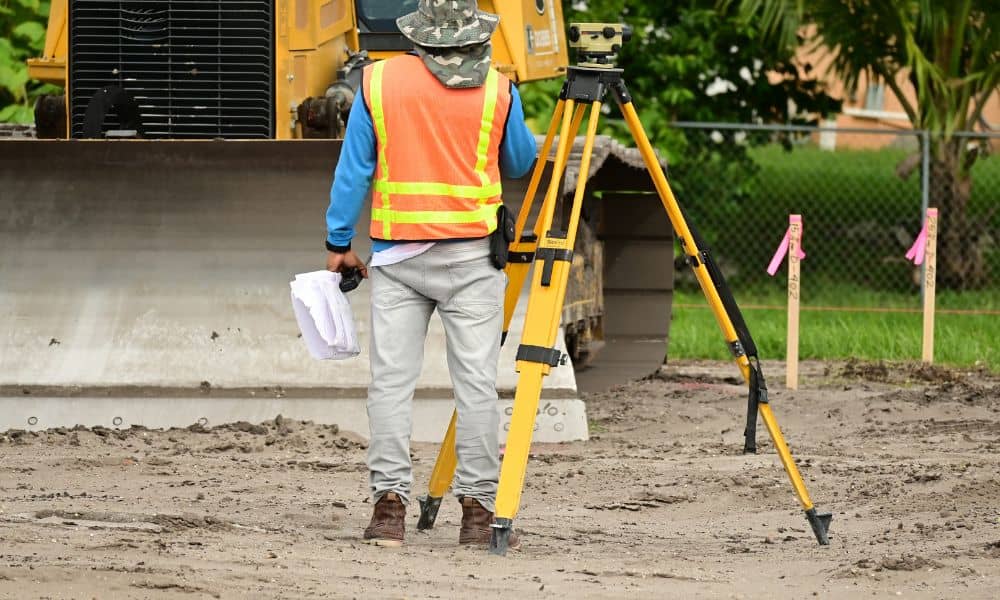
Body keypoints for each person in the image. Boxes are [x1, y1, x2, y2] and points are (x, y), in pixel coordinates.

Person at [324, 0, 537, 548]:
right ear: (474, 35)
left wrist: (338, 242)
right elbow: (518, 163)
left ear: (416, 36)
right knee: (476, 386)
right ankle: (478, 516)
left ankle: (389, 512)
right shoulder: (499, 88)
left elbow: (354, 172)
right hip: (473, 261)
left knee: (391, 384)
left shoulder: (376, 83)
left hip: (398, 262)